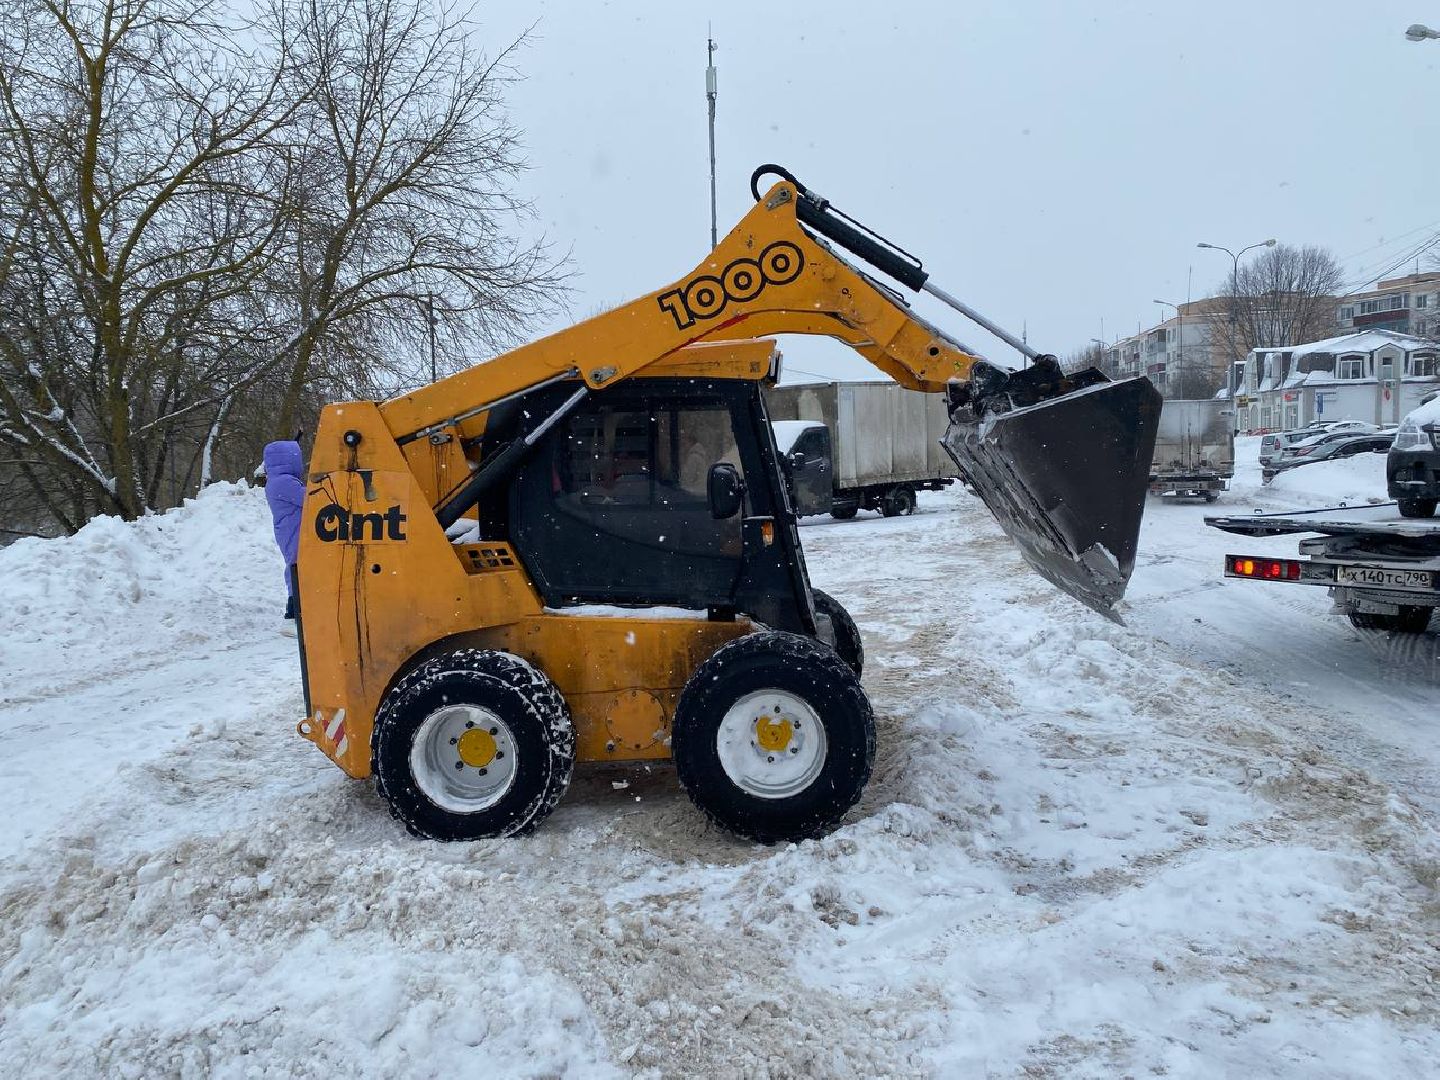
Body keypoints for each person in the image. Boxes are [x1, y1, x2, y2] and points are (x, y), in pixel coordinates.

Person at [262, 439, 305, 624]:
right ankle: (293, 612)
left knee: (297, 567)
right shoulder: (284, 482)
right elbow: (309, 499)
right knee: (297, 567)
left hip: (290, 530)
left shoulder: (277, 481)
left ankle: (296, 609)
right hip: (294, 531)